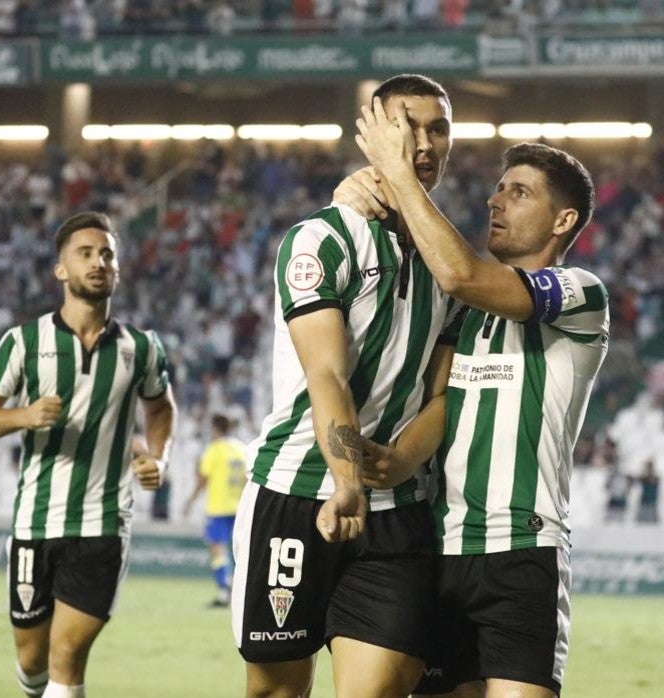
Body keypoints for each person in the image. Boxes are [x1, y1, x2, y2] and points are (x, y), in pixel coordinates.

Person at [343, 99, 608, 697]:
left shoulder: (580, 294)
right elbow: (440, 400)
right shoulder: (459, 313)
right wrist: (397, 459)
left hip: (523, 548)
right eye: (498, 189)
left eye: (518, 193)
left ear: (562, 222)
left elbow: (460, 271)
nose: (496, 200)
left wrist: (402, 173)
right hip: (441, 547)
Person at [232, 74, 460, 698]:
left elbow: (443, 392)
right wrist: (346, 480)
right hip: (298, 494)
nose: (423, 141)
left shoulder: (452, 263)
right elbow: (326, 373)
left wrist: (405, 456)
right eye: (405, 126)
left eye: (437, 128)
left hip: (397, 511)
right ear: (371, 135)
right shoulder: (322, 238)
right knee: (277, 691)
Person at [0, 212, 177, 698]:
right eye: (85, 254)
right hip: (34, 523)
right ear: (60, 270)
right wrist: (24, 416)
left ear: (118, 271)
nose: (98, 262)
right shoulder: (23, 342)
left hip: (102, 524)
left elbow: (161, 407)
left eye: (107, 254)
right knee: (32, 659)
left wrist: (159, 458)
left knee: (66, 655)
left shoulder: (141, 347)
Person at [181, 413, 246, 608]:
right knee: (238, 552)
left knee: (217, 550)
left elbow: (203, 479)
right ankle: (239, 590)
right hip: (239, 507)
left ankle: (223, 591)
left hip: (218, 507)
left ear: (216, 428)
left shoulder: (214, 449)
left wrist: (190, 502)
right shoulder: (241, 449)